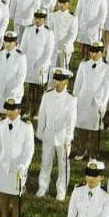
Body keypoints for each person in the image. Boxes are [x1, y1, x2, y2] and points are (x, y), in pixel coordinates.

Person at [0, 99, 35, 217]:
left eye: (12, 109)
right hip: (4, 164)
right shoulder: (1, 124)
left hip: (18, 167)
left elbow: (29, 149)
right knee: (3, 195)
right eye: (7, 109)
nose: (8, 112)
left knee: (16, 197)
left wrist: (23, 165)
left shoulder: (26, 126)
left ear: (19, 110)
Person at [35, 67, 76, 201]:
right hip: (49, 133)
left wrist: (68, 138)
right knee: (45, 161)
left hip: (62, 136)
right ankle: (43, 187)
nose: (57, 83)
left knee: (63, 164)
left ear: (66, 82)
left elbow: (71, 120)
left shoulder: (71, 99)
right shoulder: (47, 95)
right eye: (56, 80)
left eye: (61, 81)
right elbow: (42, 114)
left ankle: (61, 190)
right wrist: (40, 132)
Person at [72, 41, 109, 161]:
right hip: (83, 99)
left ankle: (93, 153)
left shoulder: (106, 67)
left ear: (101, 53)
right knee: (81, 126)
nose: (93, 54)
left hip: (97, 101)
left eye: (96, 52)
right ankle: (81, 149)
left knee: (94, 128)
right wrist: (74, 98)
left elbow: (107, 86)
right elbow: (78, 83)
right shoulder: (84, 65)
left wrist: (103, 103)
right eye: (92, 52)